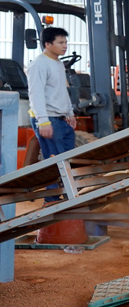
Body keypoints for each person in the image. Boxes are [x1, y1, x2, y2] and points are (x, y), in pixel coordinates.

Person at [27, 27, 77, 201]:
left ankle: (67, 196)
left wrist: (70, 112)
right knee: (55, 161)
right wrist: (43, 121)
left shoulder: (58, 63)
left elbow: (62, 91)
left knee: (67, 160)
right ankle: (52, 200)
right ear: (48, 44)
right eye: (61, 43)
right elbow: (36, 94)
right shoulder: (38, 64)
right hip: (48, 119)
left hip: (61, 119)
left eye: (66, 42)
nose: (65, 46)